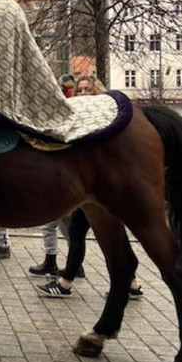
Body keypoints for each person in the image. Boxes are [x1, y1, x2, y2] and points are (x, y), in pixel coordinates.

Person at [38, 74, 142, 299]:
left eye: (88, 90)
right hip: (92, 189)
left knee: (92, 235)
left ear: (98, 92)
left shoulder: (105, 119)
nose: (83, 94)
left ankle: (66, 283)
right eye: (80, 91)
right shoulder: (83, 119)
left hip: (100, 189)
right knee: (109, 236)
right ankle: (132, 283)